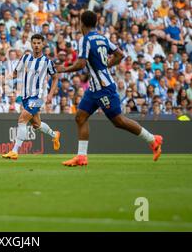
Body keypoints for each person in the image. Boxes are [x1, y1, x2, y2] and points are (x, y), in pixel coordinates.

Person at [57, 11, 163, 166]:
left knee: (118, 121)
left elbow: (80, 64)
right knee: (80, 117)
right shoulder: (102, 38)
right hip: (94, 88)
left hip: (104, 88)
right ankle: (81, 157)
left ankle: (153, 139)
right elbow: (120, 55)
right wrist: (105, 66)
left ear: (82, 24)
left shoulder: (85, 40)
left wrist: (63, 69)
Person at [2, 34, 60, 160]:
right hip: (25, 96)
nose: (36, 45)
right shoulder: (26, 58)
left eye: (39, 43)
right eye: (34, 43)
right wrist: (7, 79)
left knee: (22, 119)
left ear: (43, 44)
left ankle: (14, 151)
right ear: (31, 44)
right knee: (36, 124)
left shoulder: (47, 62)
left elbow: (55, 77)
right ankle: (54, 134)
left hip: (38, 97)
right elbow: (16, 72)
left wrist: (50, 94)